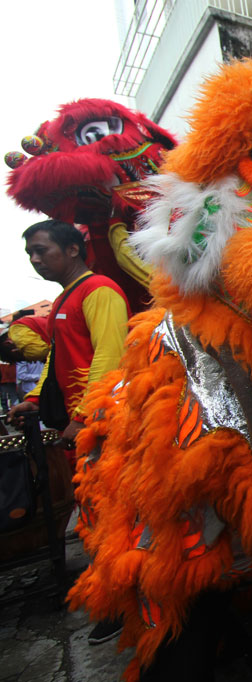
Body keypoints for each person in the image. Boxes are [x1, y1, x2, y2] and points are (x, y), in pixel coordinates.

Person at [7, 219, 130, 647]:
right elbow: (56, 363)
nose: (36, 260)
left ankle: (132, 603)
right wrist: (36, 402)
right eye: (30, 254)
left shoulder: (98, 291)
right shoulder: (65, 300)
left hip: (103, 428)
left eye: (42, 250)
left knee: (117, 517)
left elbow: (110, 358)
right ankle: (116, 601)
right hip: (79, 432)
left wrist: (84, 416)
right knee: (95, 518)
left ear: (74, 248)